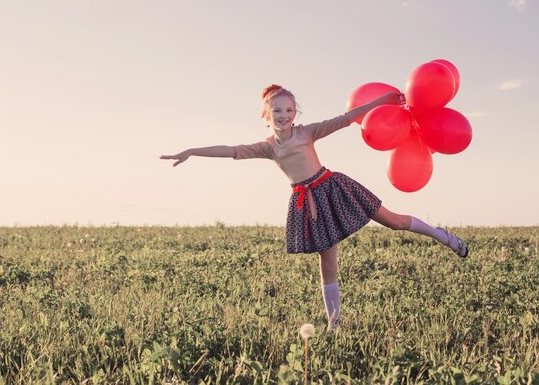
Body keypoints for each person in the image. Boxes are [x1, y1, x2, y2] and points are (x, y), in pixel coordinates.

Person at [160, 84, 468, 331]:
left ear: (296, 113)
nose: (284, 115)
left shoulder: (307, 132)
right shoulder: (268, 147)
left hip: (333, 187)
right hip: (308, 201)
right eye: (277, 110)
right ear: (266, 114)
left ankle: (444, 237)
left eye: (289, 110)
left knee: (394, 222)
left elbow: (346, 118)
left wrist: (383, 101)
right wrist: (192, 151)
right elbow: (230, 151)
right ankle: (334, 324)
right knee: (327, 261)